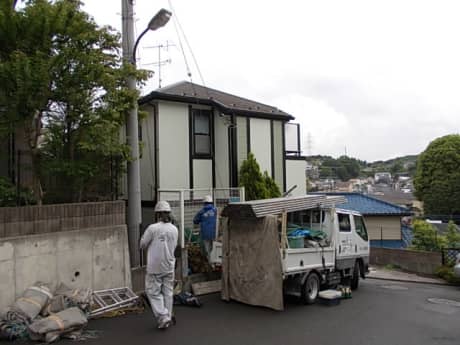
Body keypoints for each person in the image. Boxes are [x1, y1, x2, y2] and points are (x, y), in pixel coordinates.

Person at [140, 200, 178, 330]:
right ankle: (168, 314)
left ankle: (163, 316)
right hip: (169, 265)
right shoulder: (174, 229)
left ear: (158, 214)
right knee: (168, 292)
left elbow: (142, 244)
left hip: (155, 266)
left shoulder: (152, 228)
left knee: (152, 292)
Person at [193, 195, 217, 261]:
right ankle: (214, 262)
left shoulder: (201, 212)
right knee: (214, 249)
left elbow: (195, 221)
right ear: (211, 202)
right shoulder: (215, 210)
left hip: (205, 233)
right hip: (215, 233)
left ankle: (209, 263)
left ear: (204, 203)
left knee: (207, 250)